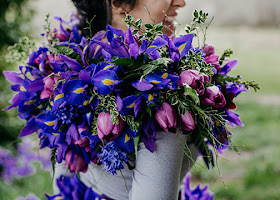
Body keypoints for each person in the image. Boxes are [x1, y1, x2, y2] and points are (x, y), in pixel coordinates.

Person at [53, 0, 199, 199]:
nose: (180, 2)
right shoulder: (165, 95)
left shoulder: (70, 65)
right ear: (118, 2)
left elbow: (62, 184)